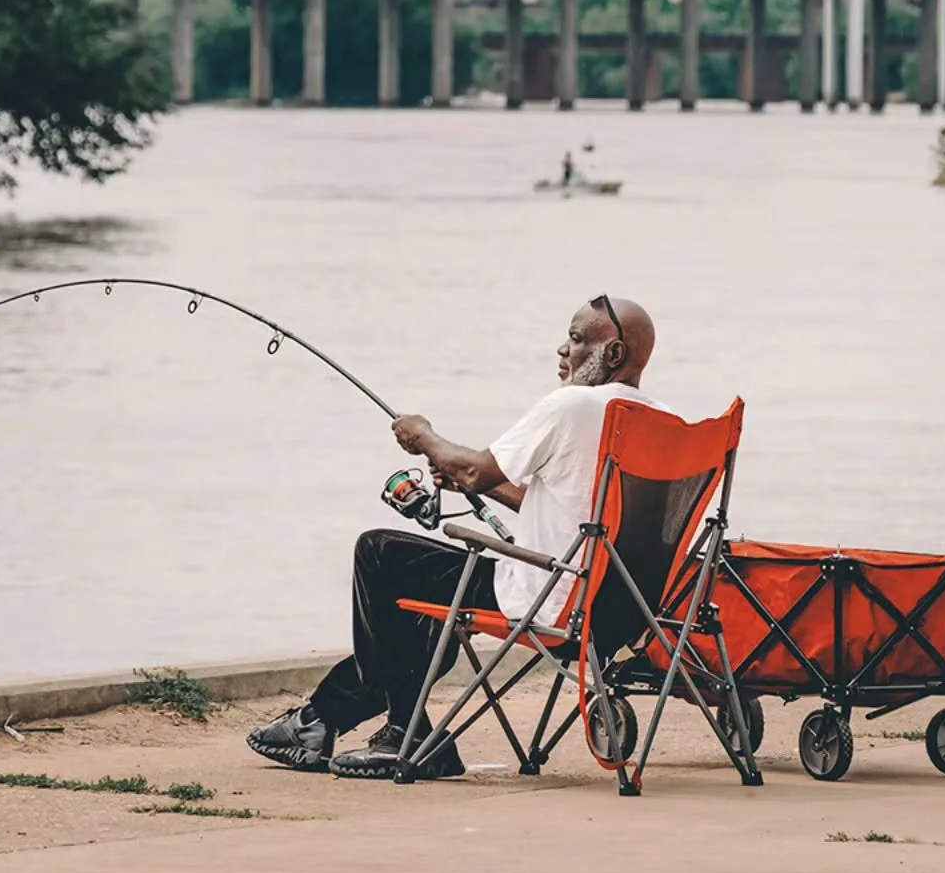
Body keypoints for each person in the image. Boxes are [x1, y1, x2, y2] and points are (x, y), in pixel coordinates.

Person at [247, 295, 665, 781]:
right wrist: (482, 481)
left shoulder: (573, 405)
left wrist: (423, 435)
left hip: (550, 601)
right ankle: (327, 720)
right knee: (417, 605)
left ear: (612, 354)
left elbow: (471, 468)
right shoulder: (660, 420)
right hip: (625, 610)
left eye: (575, 339)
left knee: (380, 554)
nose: (562, 350)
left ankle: (401, 732)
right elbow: (580, 512)